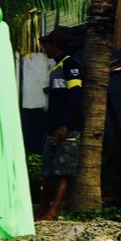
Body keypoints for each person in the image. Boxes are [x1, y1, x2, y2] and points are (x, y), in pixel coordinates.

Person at [38, 26, 83, 221]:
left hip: (68, 128)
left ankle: (53, 210)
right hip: (53, 128)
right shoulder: (55, 68)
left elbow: (75, 96)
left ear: (55, 44)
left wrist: (64, 125)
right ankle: (42, 210)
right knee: (48, 171)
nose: (45, 48)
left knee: (63, 170)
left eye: (47, 44)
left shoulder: (70, 65)